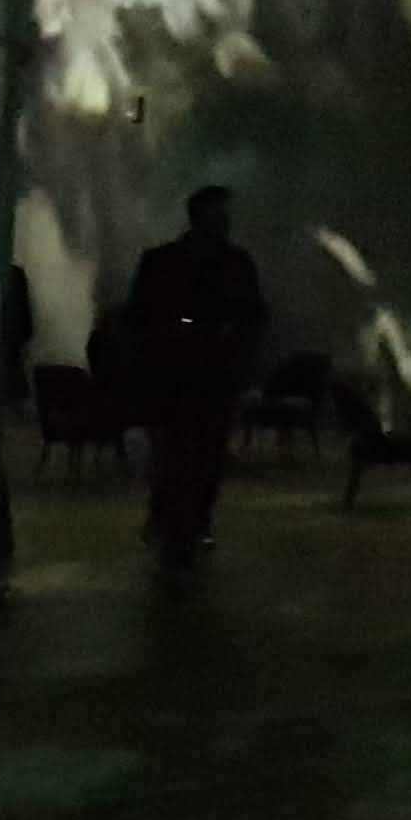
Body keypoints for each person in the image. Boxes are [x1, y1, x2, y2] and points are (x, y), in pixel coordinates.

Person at [125, 186, 267, 565]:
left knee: (207, 454)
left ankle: (194, 520)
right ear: (199, 217)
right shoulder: (165, 262)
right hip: (171, 374)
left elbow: (254, 317)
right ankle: (168, 519)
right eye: (218, 215)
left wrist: (234, 344)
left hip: (215, 375)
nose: (225, 222)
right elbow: (139, 316)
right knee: (171, 454)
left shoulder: (235, 264)